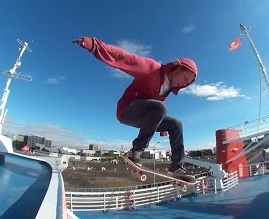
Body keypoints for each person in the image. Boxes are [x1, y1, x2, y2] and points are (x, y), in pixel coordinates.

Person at [72, 36, 197, 177]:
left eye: (187, 84)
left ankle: (176, 166)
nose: (184, 84)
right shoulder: (152, 69)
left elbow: (156, 110)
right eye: (185, 79)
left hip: (144, 115)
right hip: (127, 109)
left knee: (176, 124)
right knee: (160, 107)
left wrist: (163, 128)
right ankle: (136, 151)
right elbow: (124, 57)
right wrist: (93, 45)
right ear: (178, 69)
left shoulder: (166, 90)